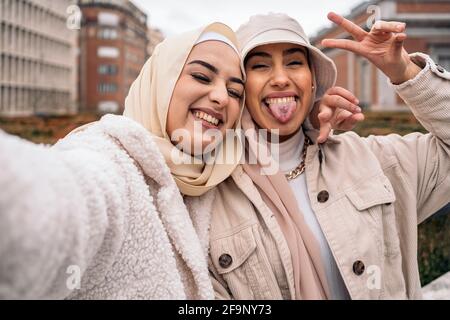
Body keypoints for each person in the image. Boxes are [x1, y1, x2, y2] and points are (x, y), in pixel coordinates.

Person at [208, 13, 450, 300]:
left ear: (313, 82)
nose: (281, 78)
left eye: (294, 62)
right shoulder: (211, 194)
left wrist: (404, 71)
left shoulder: (371, 159)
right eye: (260, 66)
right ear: (241, 88)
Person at [0, 22, 246, 299]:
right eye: (202, 77)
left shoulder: (215, 180)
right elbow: (62, 202)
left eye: (235, 91)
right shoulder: (109, 158)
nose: (221, 97)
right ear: (159, 82)